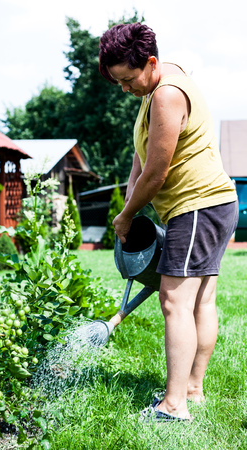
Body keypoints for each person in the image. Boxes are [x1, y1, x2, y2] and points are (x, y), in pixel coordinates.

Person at [99, 22, 238, 422]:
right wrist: (128, 206)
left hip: (197, 205)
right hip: (213, 204)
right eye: (118, 83)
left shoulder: (166, 95)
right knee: (199, 300)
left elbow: (157, 174)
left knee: (174, 300)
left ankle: (174, 405)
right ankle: (192, 390)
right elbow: (141, 158)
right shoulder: (157, 83)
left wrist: (125, 217)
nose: (125, 89)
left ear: (150, 62)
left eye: (127, 80)